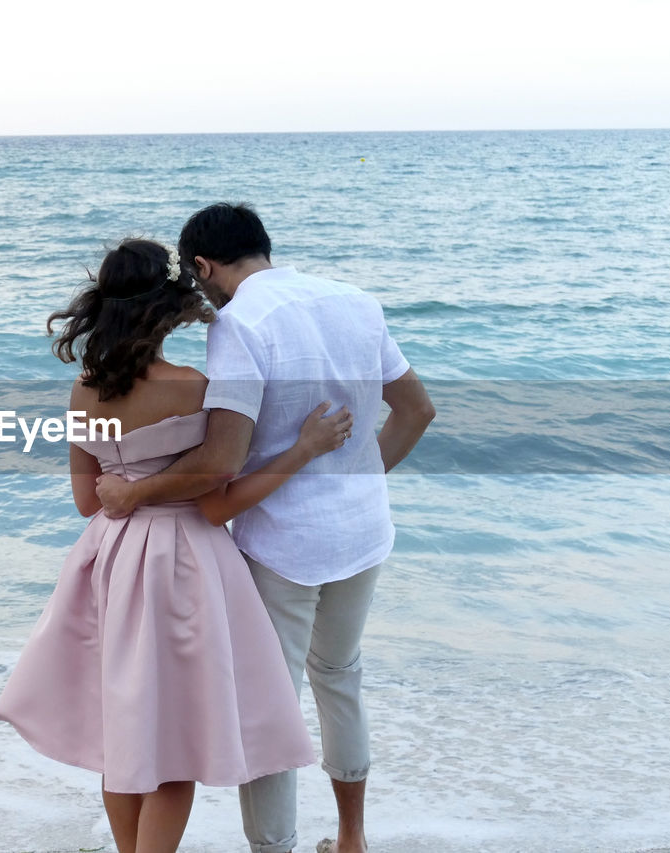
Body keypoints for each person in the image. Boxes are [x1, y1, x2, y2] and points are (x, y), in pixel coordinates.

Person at [0, 238, 359, 853]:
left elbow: (88, 502)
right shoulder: (194, 387)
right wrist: (303, 450)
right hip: (182, 562)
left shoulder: (84, 391)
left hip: (108, 559)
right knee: (173, 747)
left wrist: (125, 487)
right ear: (166, 311)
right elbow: (220, 491)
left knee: (125, 733)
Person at [95, 205, 435, 853]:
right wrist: (357, 481)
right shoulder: (356, 300)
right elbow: (417, 410)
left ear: (204, 266)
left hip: (281, 544)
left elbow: (220, 461)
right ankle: (353, 839)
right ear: (263, 246)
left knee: (269, 705)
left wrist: (135, 489)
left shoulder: (239, 323)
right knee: (340, 675)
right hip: (363, 531)